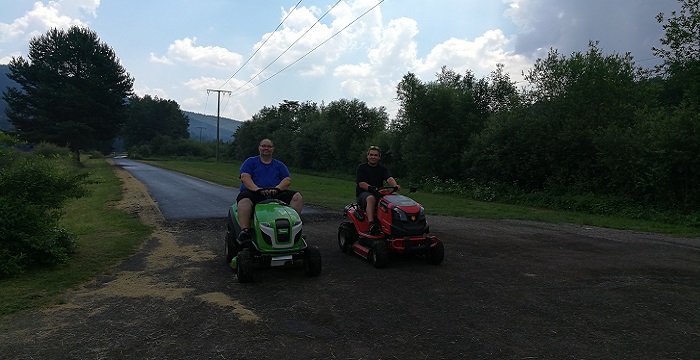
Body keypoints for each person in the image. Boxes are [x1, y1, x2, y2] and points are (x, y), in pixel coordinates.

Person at [236, 138, 303, 242]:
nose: (266, 148)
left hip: (275, 193)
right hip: (255, 194)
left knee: (297, 197)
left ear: (273, 149)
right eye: (263, 146)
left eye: (269, 146)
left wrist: (277, 189)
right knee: (244, 199)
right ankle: (245, 231)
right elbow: (245, 177)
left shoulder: (279, 165)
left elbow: (287, 180)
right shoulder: (250, 162)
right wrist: (257, 189)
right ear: (259, 148)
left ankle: (294, 227)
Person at [355, 145, 400, 234]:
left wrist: (395, 186)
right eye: (371, 155)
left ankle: (396, 223)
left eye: (375, 155)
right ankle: (371, 224)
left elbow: (389, 178)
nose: (373, 157)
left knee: (396, 198)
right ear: (367, 156)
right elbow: (361, 183)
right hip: (364, 194)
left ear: (379, 157)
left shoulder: (382, 169)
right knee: (371, 198)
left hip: (378, 193)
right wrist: (372, 188)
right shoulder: (362, 168)